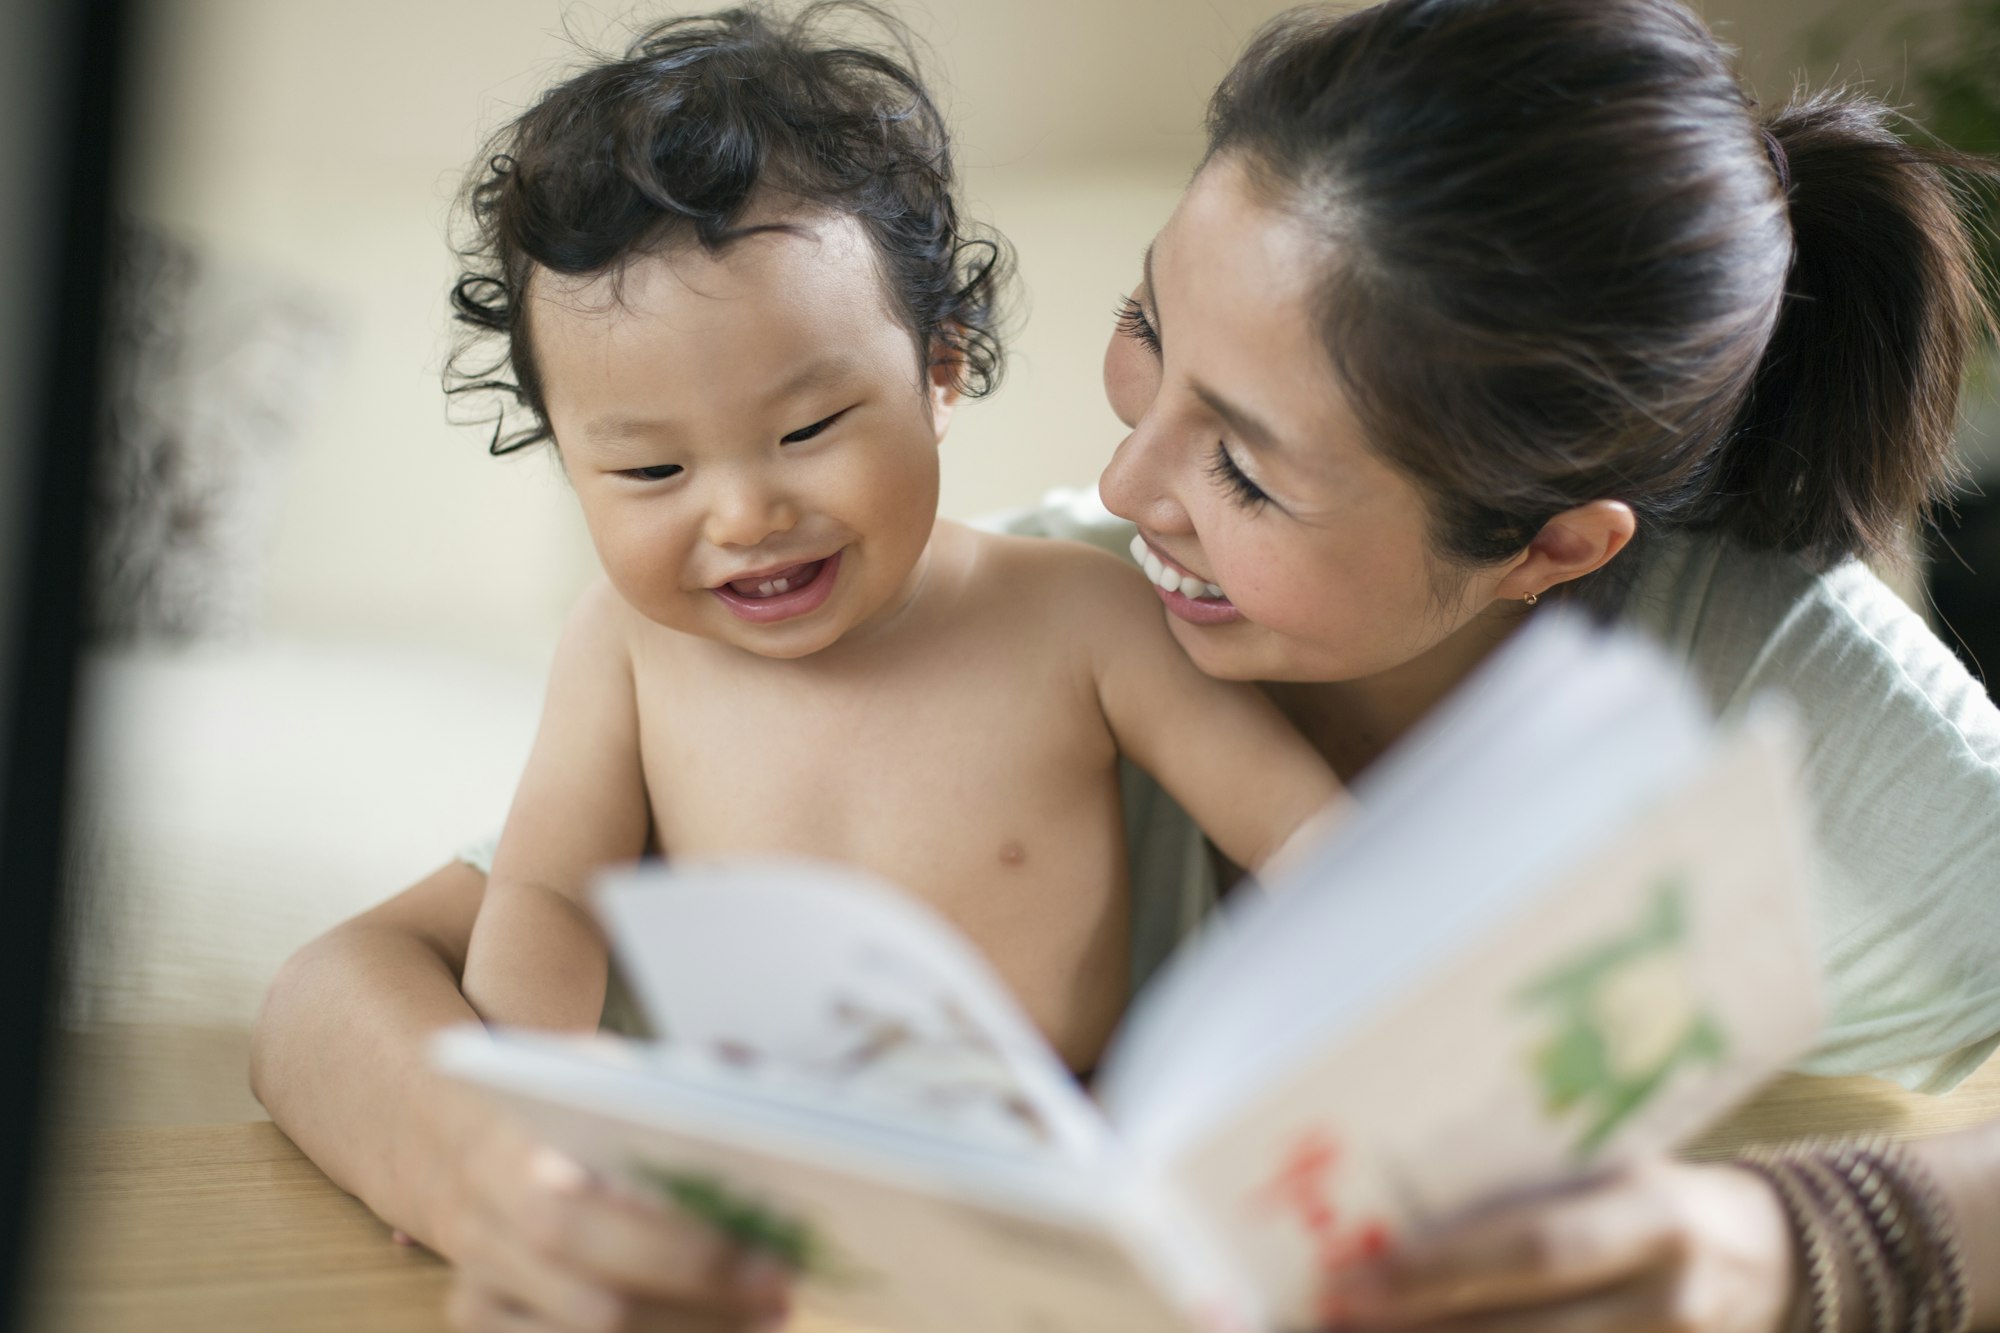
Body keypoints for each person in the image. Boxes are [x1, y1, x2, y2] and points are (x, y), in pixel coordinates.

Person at [251, 0, 2000, 1328]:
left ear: (1552, 546)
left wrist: (1796, 1238)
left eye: (1246, 465)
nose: (1129, 485)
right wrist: (492, 1161)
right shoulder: (1048, 590)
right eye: (1147, 330)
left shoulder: (1796, 709)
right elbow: (358, 980)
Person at [442, 6, 1342, 1056]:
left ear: (940, 372)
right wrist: (527, 1108)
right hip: (755, 1166)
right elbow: (549, 895)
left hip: (1052, 1156)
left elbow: (1307, 837)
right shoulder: (625, 648)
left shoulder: (1081, 615)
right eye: (650, 469)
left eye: (807, 428)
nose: (743, 516)